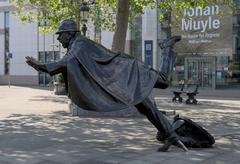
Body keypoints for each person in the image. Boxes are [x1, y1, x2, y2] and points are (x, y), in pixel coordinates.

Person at [26, 19, 187, 152]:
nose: (59, 39)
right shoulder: (75, 46)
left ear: (70, 33)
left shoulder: (79, 44)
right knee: (144, 106)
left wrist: (42, 66)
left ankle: (167, 48)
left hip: (129, 71)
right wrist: (42, 67)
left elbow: (65, 63)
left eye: (61, 35)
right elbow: (68, 63)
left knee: (163, 82)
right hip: (122, 77)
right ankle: (170, 135)